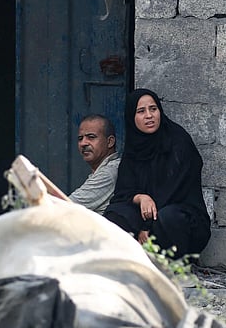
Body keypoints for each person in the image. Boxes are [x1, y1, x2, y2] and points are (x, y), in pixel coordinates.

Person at [104, 89, 211, 258]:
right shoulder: (134, 148)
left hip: (185, 224)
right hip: (147, 216)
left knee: (168, 217)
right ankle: (128, 265)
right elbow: (123, 192)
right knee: (116, 214)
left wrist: (146, 226)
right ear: (132, 117)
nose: (149, 116)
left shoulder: (178, 142)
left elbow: (172, 192)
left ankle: (175, 267)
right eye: (141, 111)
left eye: (153, 109)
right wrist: (141, 198)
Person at [68, 114, 121, 214]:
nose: (83, 143)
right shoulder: (102, 170)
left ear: (110, 142)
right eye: (80, 138)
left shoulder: (110, 172)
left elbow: (65, 206)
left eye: (91, 137)